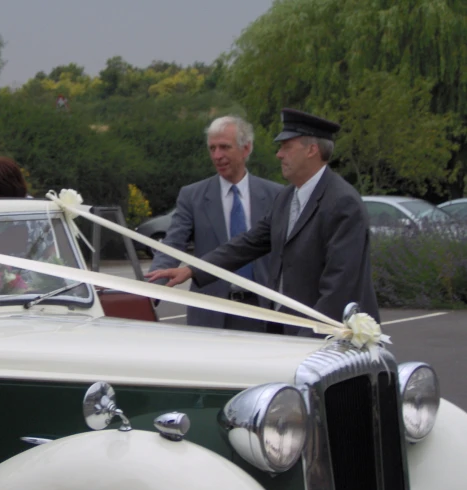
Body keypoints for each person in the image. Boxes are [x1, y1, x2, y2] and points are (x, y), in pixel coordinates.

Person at [147, 108, 379, 335]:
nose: (279, 154)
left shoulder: (342, 202)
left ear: (312, 150)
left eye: (286, 147)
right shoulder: (288, 197)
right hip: (285, 328)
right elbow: (249, 244)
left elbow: (339, 284)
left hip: (322, 337)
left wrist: (310, 341)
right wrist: (191, 270)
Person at [148, 116, 283, 332]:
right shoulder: (192, 196)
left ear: (246, 148)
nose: (217, 156)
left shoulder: (276, 195)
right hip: (210, 312)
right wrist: (151, 290)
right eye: (212, 148)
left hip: (263, 312)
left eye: (224, 147)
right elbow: (172, 245)